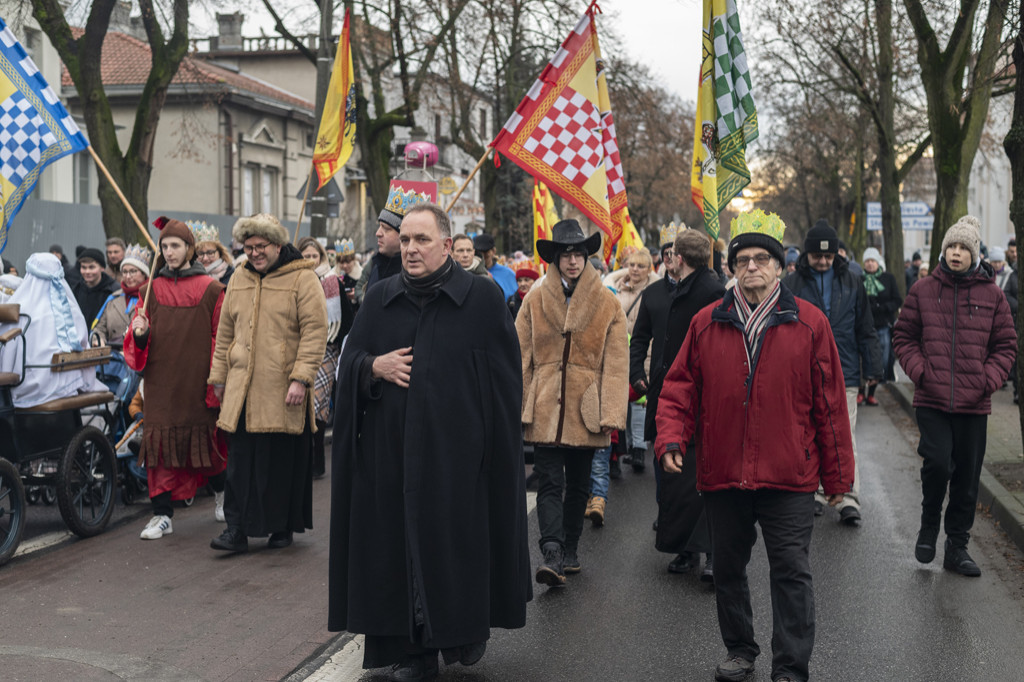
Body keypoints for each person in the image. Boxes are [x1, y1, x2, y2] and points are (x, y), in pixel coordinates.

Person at [329, 203, 531, 680]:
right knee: (397, 554)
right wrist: (372, 367)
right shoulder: (379, 298)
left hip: (457, 461)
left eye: (422, 240)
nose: (411, 249)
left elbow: (504, 385)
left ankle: (463, 632)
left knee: (454, 549)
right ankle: (414, 654)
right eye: (406, 240)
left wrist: (495, 455)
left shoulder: (481, 299)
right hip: (390, 459)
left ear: (446, 245)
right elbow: (350, 362)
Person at [656, 209, 854, 682]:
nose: (751, 267)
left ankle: (790, 666)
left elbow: (829, 406)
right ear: (730, 268)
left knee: (791, 573)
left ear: (780, 266)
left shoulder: (810, 324)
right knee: (727, 569)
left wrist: (838, 479)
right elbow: (679, 386)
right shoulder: (707, 323)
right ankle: (740, 649)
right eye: (742, 259)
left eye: (762, 258)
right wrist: (670, 436)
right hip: (724, 472)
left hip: (790, 476)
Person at [893, 215, 1017, 577]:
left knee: (966, 477)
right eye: (952, 247)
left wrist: (987, 379)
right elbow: (904, 337)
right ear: (943, 251)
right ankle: (929, 525)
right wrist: (920, 372)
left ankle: (957, 547)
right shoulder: (924, 290)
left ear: (974, 254)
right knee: (937, 462)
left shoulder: (992, 295)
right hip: (932, 399)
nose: (957, 253)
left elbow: (1006, 346)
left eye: (964, 248)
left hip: (974, 403)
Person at [517, 219, 628, 586]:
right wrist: (520, 402)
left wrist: (612, 410)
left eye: (579, 253)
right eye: (566, 254)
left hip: (587, 404)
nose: (573, 261)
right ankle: (551, 551)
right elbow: (519, 353)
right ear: (556, 259)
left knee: (579, 484)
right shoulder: (534, 298)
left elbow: (615, 362)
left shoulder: (608, 302)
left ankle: (569, 550)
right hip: (547, 402)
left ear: (587, 257)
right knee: (548, 481)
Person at [208, 215, 328, 553]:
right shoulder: (239, 279)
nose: (255, 253)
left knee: (278, 463)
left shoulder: (303, 278)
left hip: (283, 387)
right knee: (241, 463)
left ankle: (281, 527)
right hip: (242, 387)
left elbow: (314, 331)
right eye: (248, 248)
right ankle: (236, 530)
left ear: (278, 245)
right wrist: (218, 377)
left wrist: (301, 378)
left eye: (261, 247)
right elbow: (225, 333)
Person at [125, 217, 228, 539]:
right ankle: (161, 515)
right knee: (159, 450)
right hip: (161, 382)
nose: (169, 252)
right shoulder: (149, 290)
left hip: (198, 380)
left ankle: (223, 495)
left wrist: (216, 380)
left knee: (207, 448)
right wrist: (140, 334)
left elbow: (220, 337)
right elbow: (139, 337)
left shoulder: (212, 289)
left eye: (175, 246)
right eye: (165, 246)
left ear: (189, 249)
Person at [631, 228, 725, 578]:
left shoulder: (714, 293)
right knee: (672, 476)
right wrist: (637, 374)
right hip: (664, 395)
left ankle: (713, 550)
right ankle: (685, 548)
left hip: (704, 398)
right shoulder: (655, 294)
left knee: (706, 476)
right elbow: (639, 339)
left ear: (678, 258)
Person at [783, 219, 880, 527]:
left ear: (836, 253)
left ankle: (848, 497)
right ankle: (815, 492)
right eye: (816, 256)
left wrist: (873, 366)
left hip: (846, 372)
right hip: (803, 374)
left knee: (844, 436)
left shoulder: (854, 281)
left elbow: (866, 327)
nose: (823, 261)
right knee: (808, 433)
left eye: (828, 256)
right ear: (806, 255)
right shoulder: (792, 285)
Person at [0, 253, 105, 408]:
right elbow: (82, 343)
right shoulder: (71, 310)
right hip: (65, 384)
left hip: (21, 386)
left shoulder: (19, 309)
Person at [297, 235, 354, 478]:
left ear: (321, 257)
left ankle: (317, 463)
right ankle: (301, 461)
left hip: (327, 351)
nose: (310, 260)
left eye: (314, 256)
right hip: (300, 350)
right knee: (300, 407)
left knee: (317, 407)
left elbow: (347, 320)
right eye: (305, 256)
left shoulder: (332, 281)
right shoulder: (294, 281)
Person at [605, 247, 660, 474]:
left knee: (639, 402)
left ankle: (638, 449)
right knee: (615, 404)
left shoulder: (653, 293)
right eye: (631, 264)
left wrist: (647, 366)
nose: (635, 269)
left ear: (649, 269)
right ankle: (615, 454)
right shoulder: (614, 289)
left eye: (641, 266)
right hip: (617, 353)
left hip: (641, 353)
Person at [356, 186, 429, 302]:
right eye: (379, 226)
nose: (378, 233)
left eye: (386, 229)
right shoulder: (376, 264)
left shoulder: (417, 272)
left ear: (404, 235)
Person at [858, 247, 902, 406]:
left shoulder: (888, 278)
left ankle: (872, 392)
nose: (870, 264)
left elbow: (897, 299)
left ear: (878, 262)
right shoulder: (859, 279)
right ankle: (861, 391)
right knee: (863, 360)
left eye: (872, 261)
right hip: (864, 326)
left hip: (882, 325)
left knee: (881, 360)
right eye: (867, 261)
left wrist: (883, 307)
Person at [91, 244, 151, 350]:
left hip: (142, 359)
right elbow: (99, 329)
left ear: (144, 274)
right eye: (124, 271)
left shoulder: (152, 298)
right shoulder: (113, 298)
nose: (128, 276)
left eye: (133, 271)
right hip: (114, 361)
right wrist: (97, 339)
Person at [71, 247, 119, 328]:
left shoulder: (113, 291)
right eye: (84, 267)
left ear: (102, 268)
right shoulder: (77, 289)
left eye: (91, 267)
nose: (87, 272)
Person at [190, 221, 235, 286]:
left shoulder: (233, 275)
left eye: (210, 253)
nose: (205, 258)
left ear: (220, 253)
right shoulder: (189, 275)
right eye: (200, 253)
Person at [474, 233, 517, 298]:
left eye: (485, 251)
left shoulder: (508, 274)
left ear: (494, 251)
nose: (482, 255)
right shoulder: (468, 273)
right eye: (478, 252)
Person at [334, 239, 362, 306]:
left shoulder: (362, 275)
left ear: (354, 260)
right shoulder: (332, 275)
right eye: (341, 262)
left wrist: (357, 295)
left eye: (348, 262)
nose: (345, 266)